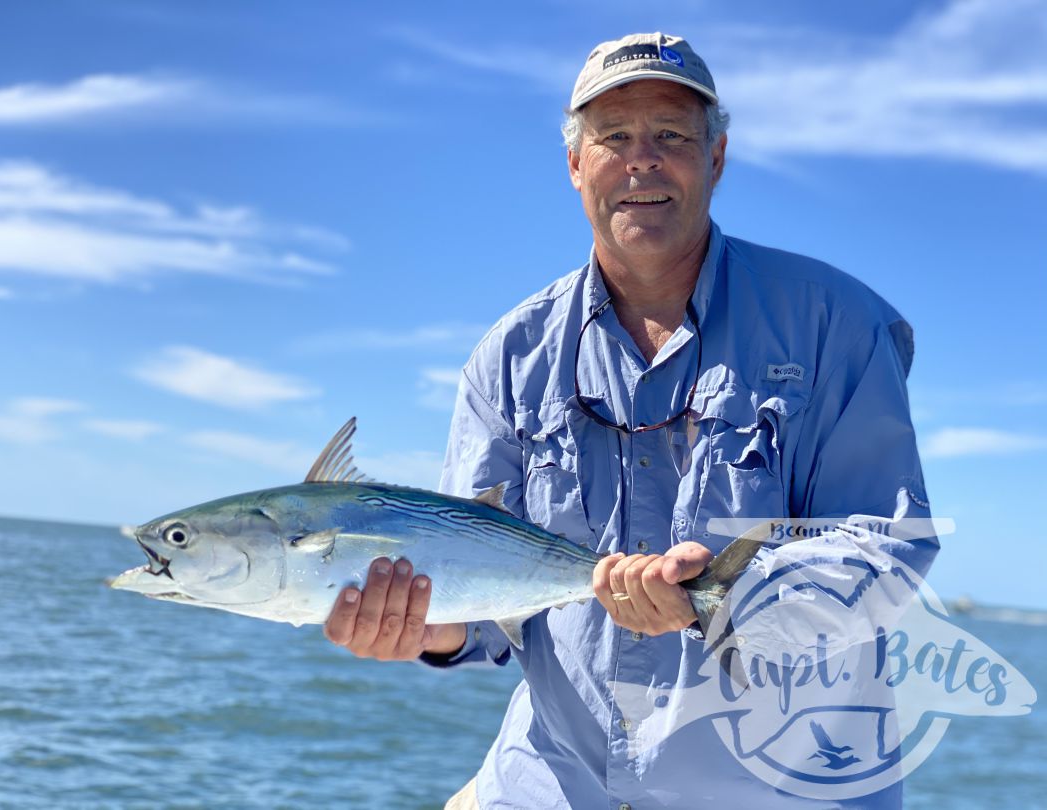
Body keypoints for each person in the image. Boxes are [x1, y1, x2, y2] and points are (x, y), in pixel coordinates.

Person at [325, 32, 937, 809]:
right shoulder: (508, 357)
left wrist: (727, 594)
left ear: (715, 160)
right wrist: (424, 628)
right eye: (614, 138)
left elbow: (885, 550)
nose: (641, 160)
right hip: (552, 782)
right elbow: (480, 610)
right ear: (575, 166)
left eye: (671, 136)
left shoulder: (836, 323)